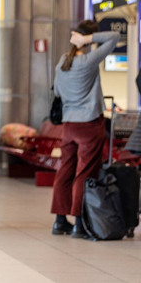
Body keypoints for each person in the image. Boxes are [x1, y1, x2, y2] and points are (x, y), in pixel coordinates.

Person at [50, 20, 119, 239]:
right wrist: (87, 39)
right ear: (87, 39)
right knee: (85, 172)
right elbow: (114, 38)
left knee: (65, 170)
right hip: (89, 123)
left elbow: (59, 92)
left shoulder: (62, 62)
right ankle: (79, 223)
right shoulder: (89, 61)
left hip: (69, 124)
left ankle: (60, 221)